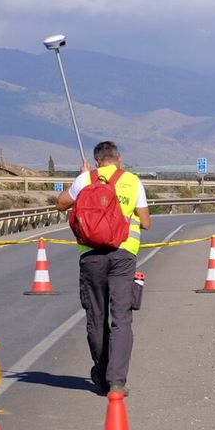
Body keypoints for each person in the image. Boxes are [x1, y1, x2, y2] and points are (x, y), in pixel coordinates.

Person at [55, 141, 150, 395]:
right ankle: (117, 382)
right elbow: (146, 222)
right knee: (121, 318)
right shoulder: (132, 181)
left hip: (91, 257)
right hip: (123, 255)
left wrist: (81, 177)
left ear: (97, 161)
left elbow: (60, 204)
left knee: (96, 318)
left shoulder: (85, 179)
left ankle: (102, 369)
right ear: (119, 158)